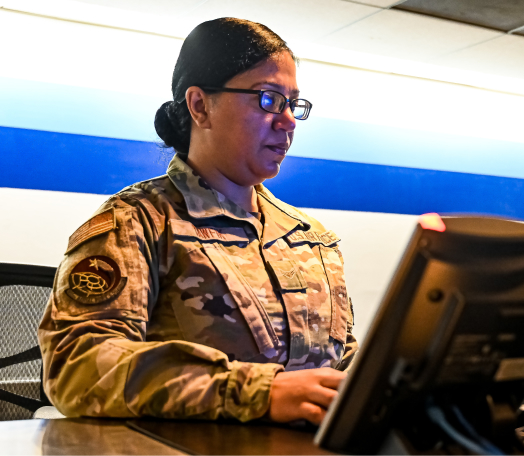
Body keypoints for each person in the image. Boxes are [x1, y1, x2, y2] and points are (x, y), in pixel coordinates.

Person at [38, 17, 357, 425]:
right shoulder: (139, 223)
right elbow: (76, 364)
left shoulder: (310, 238)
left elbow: (341, 360)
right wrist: (258, 391)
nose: (288, 121)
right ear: (200, 105)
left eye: (292, 104)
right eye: (268, 99)